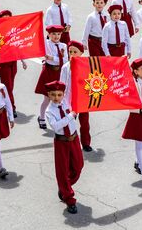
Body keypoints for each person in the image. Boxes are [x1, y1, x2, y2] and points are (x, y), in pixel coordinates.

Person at [45, 81, 84, 215]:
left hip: (74, 138)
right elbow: (56, 126)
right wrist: (70, 116)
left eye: (59, 94)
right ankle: (69, 199)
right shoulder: (49, 111)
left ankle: (64, 187)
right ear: (49, 95)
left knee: (78, 166)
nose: (56, 97)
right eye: (53, 95)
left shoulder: (67, 102)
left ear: (63, 94)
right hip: (62, 142)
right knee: (62, 170)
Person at [60, 41, 94, 151]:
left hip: (83, 99)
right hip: (69, 99)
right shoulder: (66, 67)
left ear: (81, 53)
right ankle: (70, 142)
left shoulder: (86, 65)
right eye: (70, 52)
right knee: (70, 122)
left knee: (85, 123)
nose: (72, 54)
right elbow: (62, 84)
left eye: (75, 52)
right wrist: (62, 101)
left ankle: (86, 143)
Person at [35, 25, 68, 129]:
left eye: (58, 34)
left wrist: (53, 58)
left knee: (60, 97)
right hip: (49, 72)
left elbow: (65, 59)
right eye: (53, 34)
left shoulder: (63, 46)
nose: (56, 36)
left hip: (59, 73)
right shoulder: (47, 44)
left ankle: (60, 118)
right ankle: (41, 117)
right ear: (49, 35)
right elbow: (39, 38)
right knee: (47, 98)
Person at [0, 10, 27, 117]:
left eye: (9, 17)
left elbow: (17, 46)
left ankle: (3, 103)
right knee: (7, 87)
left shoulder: (13, 32)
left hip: (13, 63)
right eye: (5, 18)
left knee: (10, 86)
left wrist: (22, 60)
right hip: (3, 63)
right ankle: (11, 108)